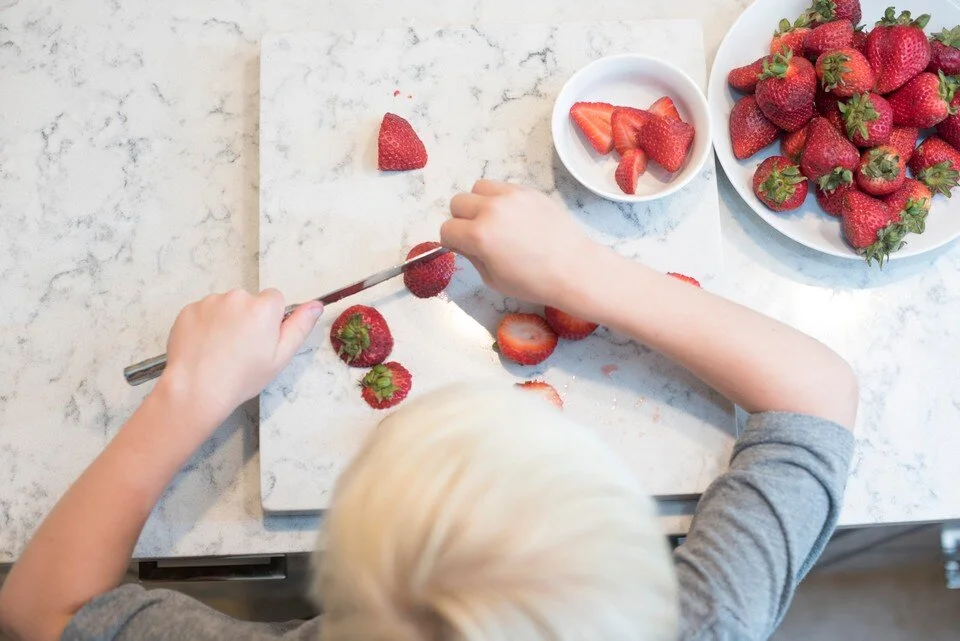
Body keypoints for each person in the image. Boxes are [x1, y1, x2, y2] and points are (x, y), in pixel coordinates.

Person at [0, 180, 859, 641]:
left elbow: (43, 609)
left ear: (331, 582)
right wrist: (583, 273)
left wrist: (188, 394)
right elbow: (817, 398)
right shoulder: (696, 626)